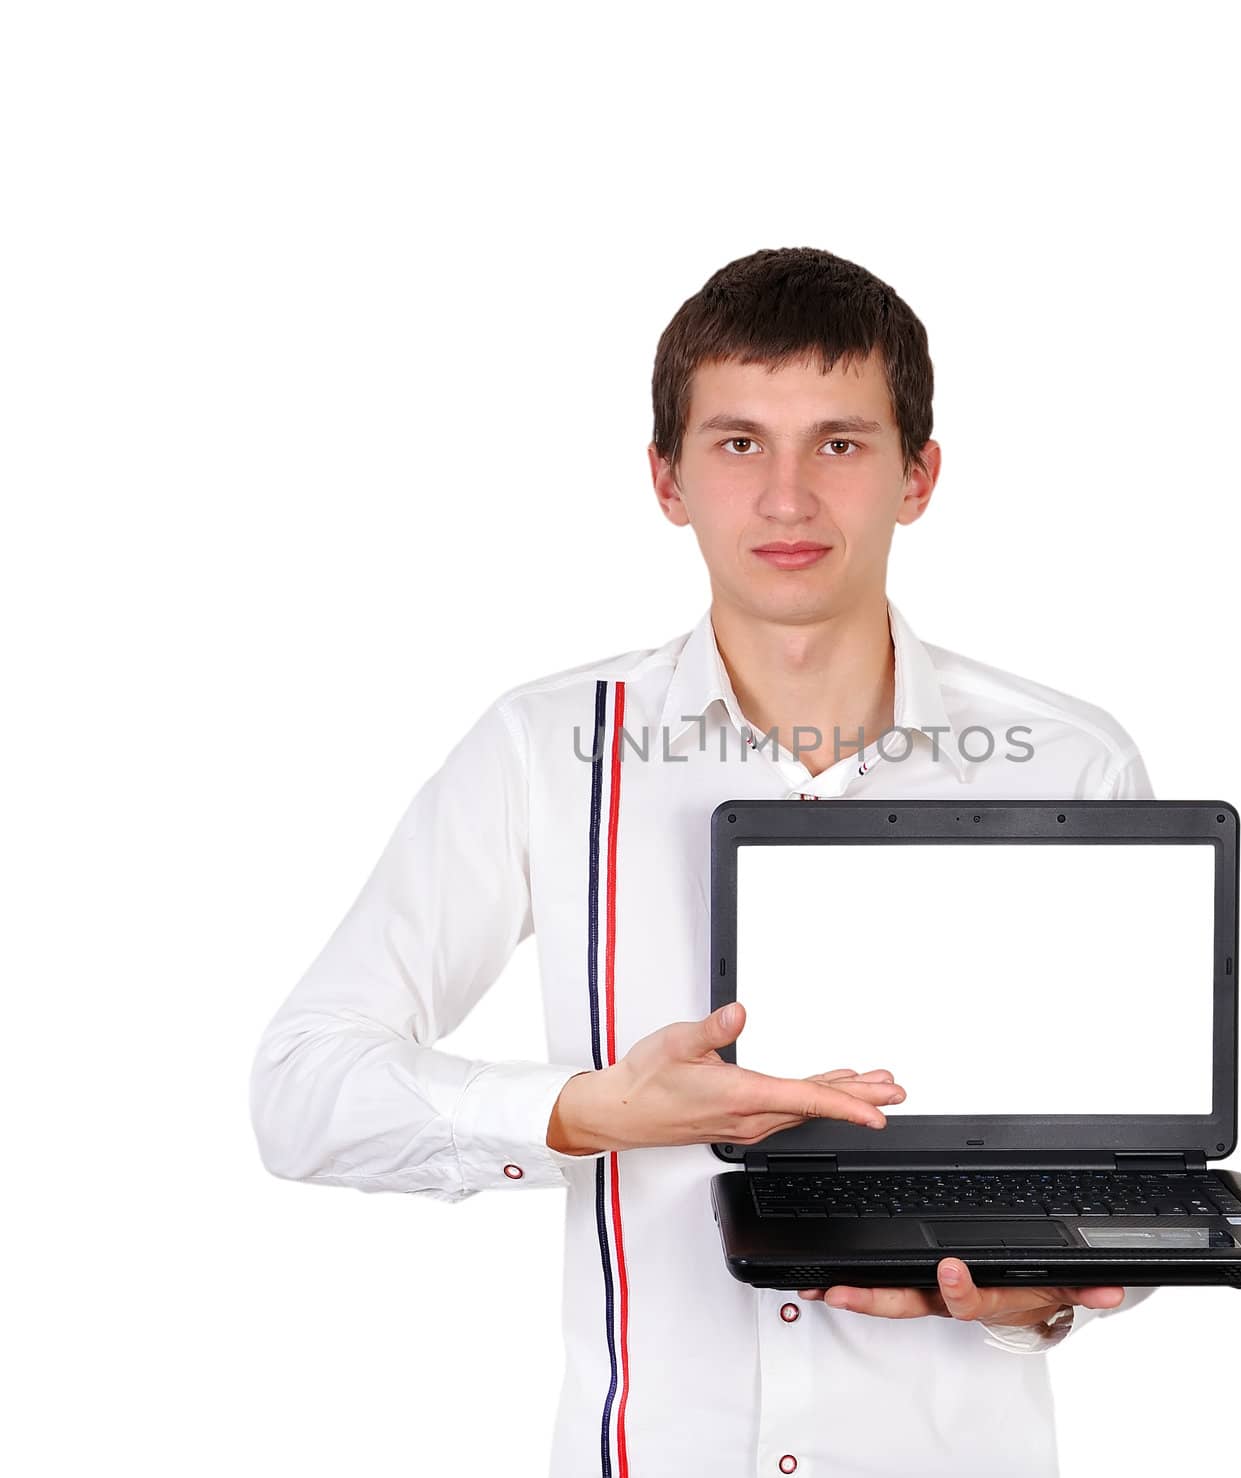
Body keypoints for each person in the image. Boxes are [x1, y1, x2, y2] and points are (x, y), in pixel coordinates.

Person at [250, 246, 1157, 1477]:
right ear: (667, 479)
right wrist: (583, 1112)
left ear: (919, 475)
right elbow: (304, 1089)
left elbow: (1123, 1159)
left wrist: (1034, 1297)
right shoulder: (548, 748)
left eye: (839, 442)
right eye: (738, 444)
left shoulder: (1065, 762)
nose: (786, 499)